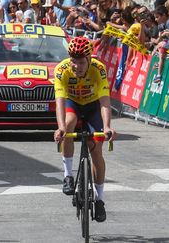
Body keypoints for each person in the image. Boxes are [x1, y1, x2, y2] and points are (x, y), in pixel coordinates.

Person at [53, 36, 116, 223]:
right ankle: (68, 176)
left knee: (96, 152)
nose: (76, 66)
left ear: (89, 59)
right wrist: (61, 128)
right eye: (73, 61)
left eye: (81, 62)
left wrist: (107, 127)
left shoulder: (99, 69)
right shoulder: (61, 70)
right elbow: (60, 103)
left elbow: (105, 101)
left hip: (93, 106)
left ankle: (99, 200)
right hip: (73, 104)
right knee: (69, 122)